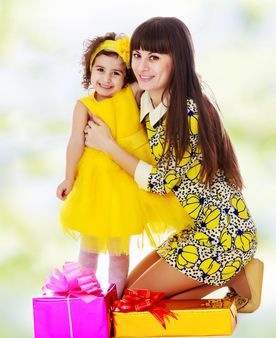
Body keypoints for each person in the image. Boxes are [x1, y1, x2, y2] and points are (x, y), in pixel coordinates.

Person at [84, 17, 264, 312]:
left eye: (154, 57)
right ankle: (234, 274)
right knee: (126, 293)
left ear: (176, 60)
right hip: (197, 230)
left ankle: (236, 275)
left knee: (134, 305)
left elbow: (159, 182)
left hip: (224, 236)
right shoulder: (146, 101)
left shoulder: (187, 112)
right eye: (138, 56)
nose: (142, 67)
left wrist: (108, 146)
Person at [56, 32, 192, 298]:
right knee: (89, 247)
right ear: (90, 71)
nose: (107, 79)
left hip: (127, 182)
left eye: (116, 73)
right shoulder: (83, 106)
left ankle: (115, 298)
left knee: (119, 251)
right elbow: (75, 142)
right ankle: (86, 299)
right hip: (95, 183)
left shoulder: (130, 94)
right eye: (100, 70)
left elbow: (157, 79)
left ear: (127, 76)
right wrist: (68, 178)